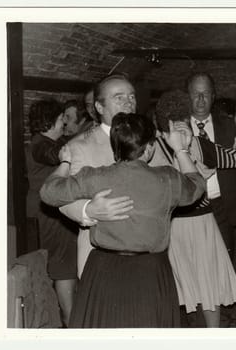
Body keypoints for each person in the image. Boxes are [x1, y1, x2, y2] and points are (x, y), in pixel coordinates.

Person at [40, 113, 205, 328]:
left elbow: (48, 192)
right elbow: (197, 185)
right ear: (149, 148)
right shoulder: (168, 179)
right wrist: (181, 150)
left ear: (115, 146)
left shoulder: (96, 176)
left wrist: (65, 161)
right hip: (150, 273)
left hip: (104, 271)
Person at [152, 89, 236, 327]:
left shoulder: (150, 148)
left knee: (178, 286)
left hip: (169, 226)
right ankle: (212, 335)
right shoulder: (197, 144)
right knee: (209, 285)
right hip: (202, 223)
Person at [58, 74, 138, 278]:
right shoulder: (79, 147)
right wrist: (88, 210)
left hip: (144, 249)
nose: (128, 103)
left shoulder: (149, 140)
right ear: (99, 108)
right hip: (100, 251)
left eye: (131, 97)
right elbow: (62, 196)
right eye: (119, 97)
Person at [186, 72, 236, 326]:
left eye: (205, 94)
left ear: (213, 96)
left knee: (227, 263)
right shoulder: (176, 126)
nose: (200, 100)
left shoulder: (228, 124)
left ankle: (226, 318)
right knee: (197, 266)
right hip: (191, 209)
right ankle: (200, 319)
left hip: (223, 204)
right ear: (187, 96)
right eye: (195, 94)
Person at [25, 99, 77, 327]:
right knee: (63, 268)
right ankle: (71, 322)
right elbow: (55, 155)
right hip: (49, 216)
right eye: (60, 119)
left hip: (44, 214)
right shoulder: (41, 144)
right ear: (50, 121)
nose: (64, 123)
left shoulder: (39, 141)